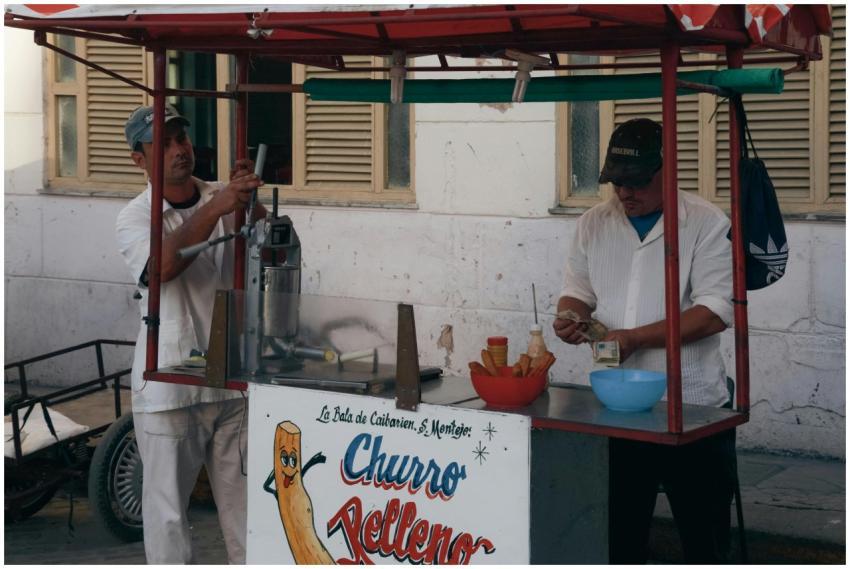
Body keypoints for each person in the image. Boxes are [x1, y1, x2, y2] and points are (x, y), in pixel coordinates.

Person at [553, 118, 737, 563]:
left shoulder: (706, 224)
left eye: (636, 182)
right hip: (615, 407)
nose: (624, 193)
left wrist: (636, 338)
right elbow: (578, 291)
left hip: (691, 406)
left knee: (703, 537)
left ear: (667, 171)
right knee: (619, 534)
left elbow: (715, 312)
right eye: (616, 182)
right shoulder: (593, 223)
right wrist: (571, 317)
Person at [115, 104, 266, 564]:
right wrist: (218, 206)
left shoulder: (221, 199)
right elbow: (160, 269)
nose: (180, 150)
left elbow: (271, 251)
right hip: (168, 389)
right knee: (167, 516)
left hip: (228, 379)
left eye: (181, 139)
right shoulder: (134, 217)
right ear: (139, 160)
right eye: (162, 143)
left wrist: (249, 205)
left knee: (247, 511)